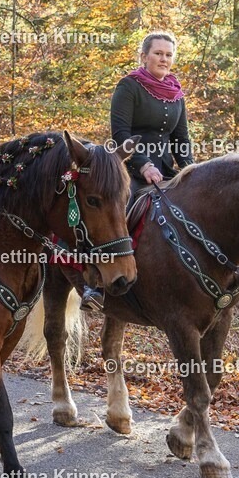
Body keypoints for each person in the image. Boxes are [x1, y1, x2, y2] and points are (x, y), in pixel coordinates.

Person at [81, 31, 194, 311]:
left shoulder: (176, 94)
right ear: (144, 57)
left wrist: (193, 170)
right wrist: (143, 165)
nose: (163, 59)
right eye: (158, 53)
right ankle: (94, 284)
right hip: (128, 169)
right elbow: (120, 133)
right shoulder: (128, 86)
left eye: (168, 55)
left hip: (167, 171)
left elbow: (181, 140)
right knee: (117, 212)